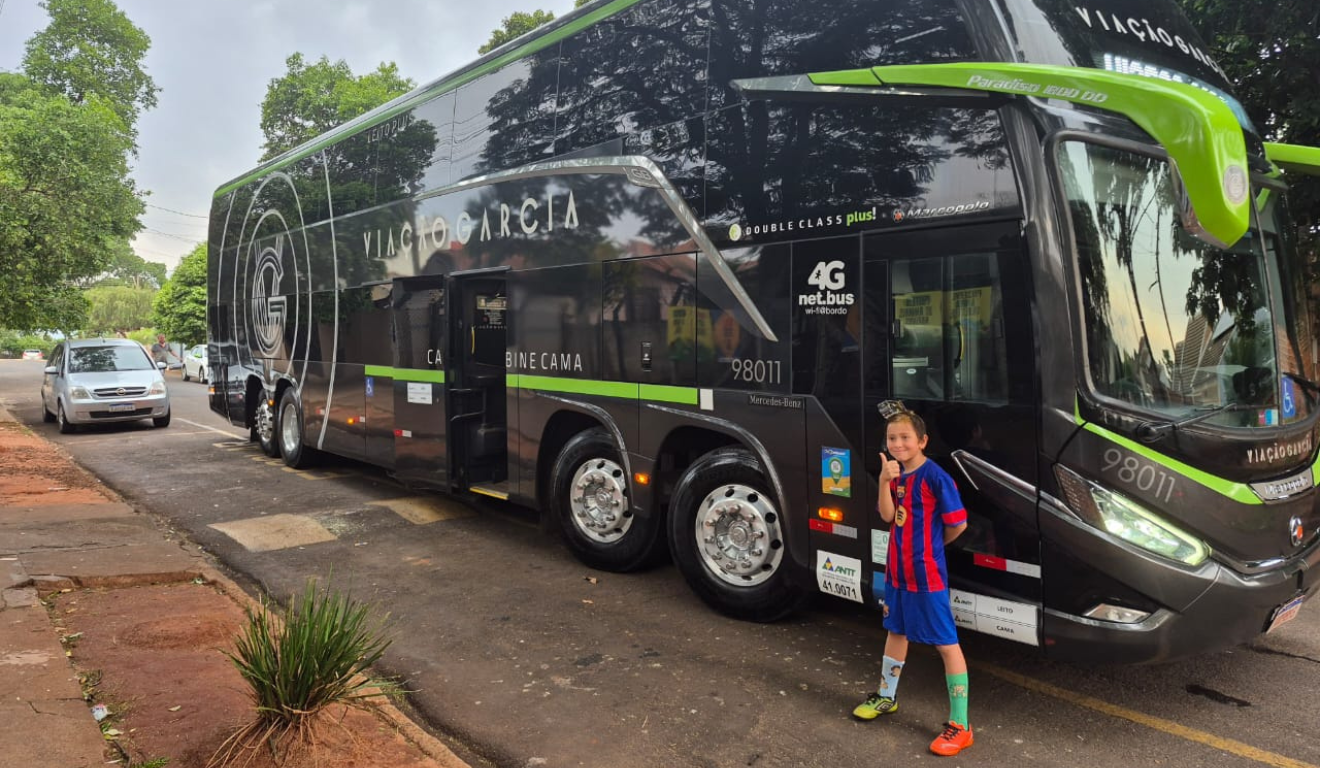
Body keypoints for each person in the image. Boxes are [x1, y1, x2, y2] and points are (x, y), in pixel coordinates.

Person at [853, 404, 972, 757]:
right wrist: (884, 481)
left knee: (947, 644)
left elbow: (958, 524)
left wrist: (933, 549)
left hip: (927, 575)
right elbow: (889, 517)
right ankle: (886, 697)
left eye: (905, 437)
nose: (898, 443)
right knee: (896, 631)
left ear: (922, 440)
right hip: (897, 574)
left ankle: (961, 726)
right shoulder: (895, 475)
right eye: (892, 438)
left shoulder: (936, 477)